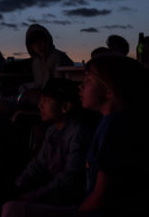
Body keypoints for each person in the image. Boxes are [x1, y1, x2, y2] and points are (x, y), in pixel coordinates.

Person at [0, 55, 149, 217]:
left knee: (12, 213)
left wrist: (72, 213)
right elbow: (39, 165)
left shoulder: (115, 128)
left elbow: (100, 197)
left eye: (88, 80)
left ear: (110, 92)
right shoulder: (109, 122)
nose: (80, 85)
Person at [12, 78, 94, 206]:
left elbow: (70, 177)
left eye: (46, 101)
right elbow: (38, 164)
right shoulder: (52, 131)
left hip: (70, 198)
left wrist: (34, 195)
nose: (40, 105)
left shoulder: (78, 133)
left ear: (65, 106)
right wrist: (16, 185)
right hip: (53, 190)